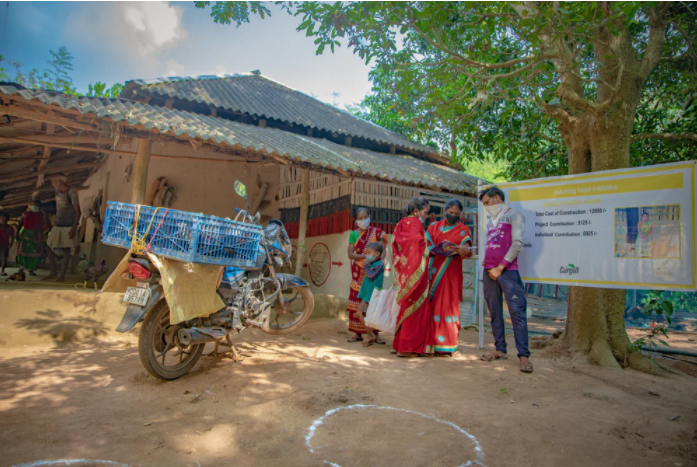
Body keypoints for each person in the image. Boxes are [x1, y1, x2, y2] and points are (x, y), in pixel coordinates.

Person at [479, 186, 532, 373]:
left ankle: (524, 355)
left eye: (487, 202)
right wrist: (487, 264)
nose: (485, 206)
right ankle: (500, 349)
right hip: (488, 271)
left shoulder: (514, 215)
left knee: (517, 312)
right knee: (494, 311)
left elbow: (517, 243)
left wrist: (500, 267)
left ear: (496, 198)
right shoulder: (491, 221)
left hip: (507, 271)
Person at [427, 199, 473, 356]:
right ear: (445, 210)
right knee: (431, 304)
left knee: (448, 304)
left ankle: (448, 345)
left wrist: (464, 250)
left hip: (451, 271)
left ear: (460, 214)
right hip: (433, 270)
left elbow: (467, 248)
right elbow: (425, 244)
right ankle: (430, 343)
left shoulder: (463, 230)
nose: (453, 216)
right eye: (450, 213)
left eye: (456, 214)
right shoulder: (434, 226)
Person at [392, 197, 434, 357]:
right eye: (425, 212)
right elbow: (416, 242)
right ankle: (408, 348)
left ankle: (398, 345)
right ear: (416, 211)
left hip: (405, 273)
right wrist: (428, 246)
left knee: (406, 306)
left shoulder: (401, 223)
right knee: (417, 308)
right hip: (417, 271)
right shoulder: (415, 223)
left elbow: (398, 246)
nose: (426, 216)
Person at [346, 207, 388, 344]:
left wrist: (375, 263)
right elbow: (350, 254)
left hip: (374, 272)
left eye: (366, 217)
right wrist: (367, 256)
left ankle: (375, 334)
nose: (363, 220)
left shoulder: (378, 233)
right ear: (355, 220)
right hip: (358, 272)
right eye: (360, 218)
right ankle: (358, 333)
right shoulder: (353, 234)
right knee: (357, 301)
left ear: (370, 216)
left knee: (373, 302)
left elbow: (382, 252)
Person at [43, 173, 81, 282]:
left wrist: (74, 228)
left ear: (61, 181)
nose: (52, 183)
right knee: (49, 246)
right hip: (58, 225)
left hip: (68, 226)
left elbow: (78, 212)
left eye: (53, 181)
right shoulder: (57, 192)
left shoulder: (71, 192)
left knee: (65, 250)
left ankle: (62, 276)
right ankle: (54, 272)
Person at [355, 241, 386, 347]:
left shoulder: (380, 264)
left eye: (369, 253)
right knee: (365, 315)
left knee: (360, 313)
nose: (366, 255)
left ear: (376, 254)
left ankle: (370, 335)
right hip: (367, 294)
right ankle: (370, 335)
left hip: (372, 295)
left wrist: (366, 265)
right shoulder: (372, 263)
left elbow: (371, 275)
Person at [16, 200, 46, 276]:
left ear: (40, 207)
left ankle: (31, 269)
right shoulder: (25, 214)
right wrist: (17, 233)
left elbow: (44, 225)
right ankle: (21, 267)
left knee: (35, 253)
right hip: (25, 234)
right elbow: (20, 224)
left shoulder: (41, 215)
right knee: (23, 252)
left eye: (36, 205)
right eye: (33, 205)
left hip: (36, 235)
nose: (34, 207)